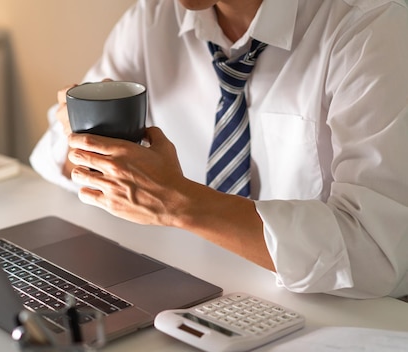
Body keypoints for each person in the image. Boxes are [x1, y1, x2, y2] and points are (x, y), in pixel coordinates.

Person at [29, 0, 408, 299]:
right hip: (190, 288)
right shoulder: (151, 19)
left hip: (330, 314)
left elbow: (378, 253)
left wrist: (181, 204)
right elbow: (53, 159)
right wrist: (85, 138)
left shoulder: (372, 29)